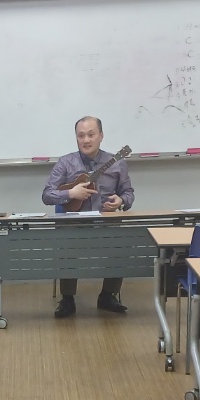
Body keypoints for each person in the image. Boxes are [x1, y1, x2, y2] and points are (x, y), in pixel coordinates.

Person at [42, 115, 135, 318]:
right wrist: (70, 193)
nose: (86, 140)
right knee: (66, 241)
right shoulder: (65, 163)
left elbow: (129, 193)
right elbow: (47, 195)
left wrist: (121, 200)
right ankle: (67, 299)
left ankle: (108, 295)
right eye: (81, 135)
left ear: (101, 136)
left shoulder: (117, 162)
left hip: (106, 223)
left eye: (91, 135)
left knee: (121, 242)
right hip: (74, 223)